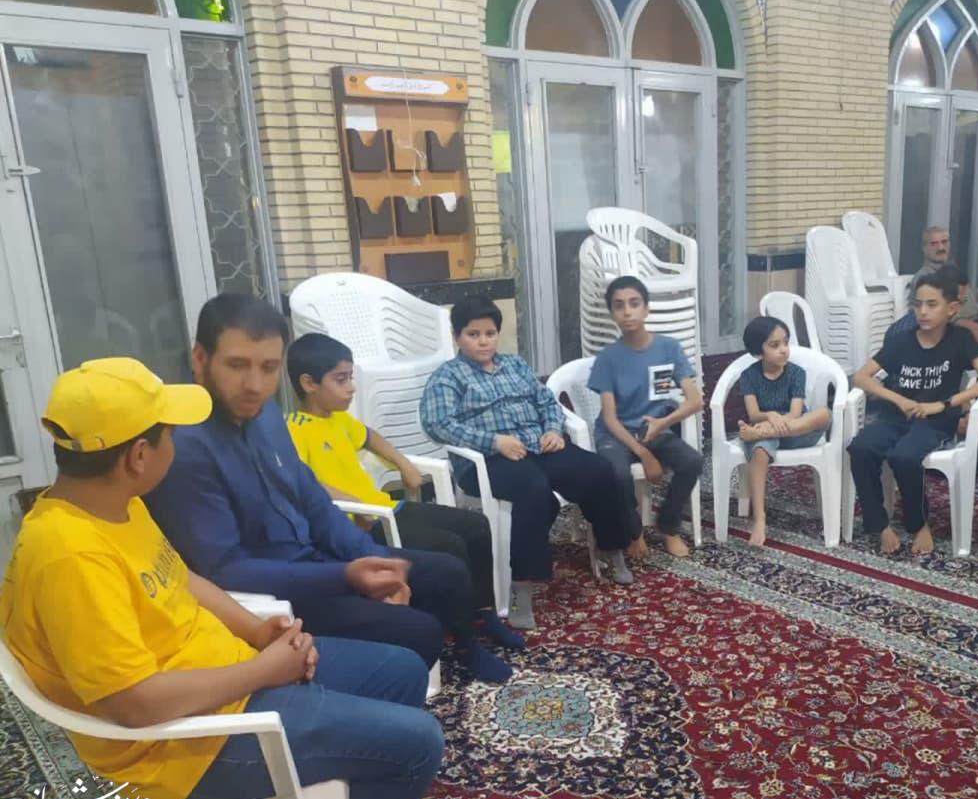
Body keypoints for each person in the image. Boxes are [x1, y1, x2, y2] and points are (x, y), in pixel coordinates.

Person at [0, 357, 443, 799]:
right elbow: (136, 705)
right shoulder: (70, 556)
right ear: (139, 455)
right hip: (180, 752)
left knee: (401, 671)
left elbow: (181, 578)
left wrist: (256, 631)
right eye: (170, 434)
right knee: (419, 743)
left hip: (223, 685)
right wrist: (265, 670)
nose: (177, 445)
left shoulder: (114, 503)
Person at [145, 293, 514, 684]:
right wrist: (346, 576)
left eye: (269, 368)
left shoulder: (265, 415)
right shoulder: (183, 448)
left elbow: (313, 500)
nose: (255, 385)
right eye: (237, 365)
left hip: (317, 558)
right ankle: (372, 688)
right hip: (275, 594)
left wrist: (373, 561)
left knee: (447, 573)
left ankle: (467, 649)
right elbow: (227, 570)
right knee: (417, 631)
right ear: (200, 359)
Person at [285, 332, 523, 649]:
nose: (351, 387)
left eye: (351, 378)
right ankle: (465, 640)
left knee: (476, 525)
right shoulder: (293, 429)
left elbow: (369, 436)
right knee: (449, 545)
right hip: (363, 524)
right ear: (309, 383)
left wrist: (403, 463)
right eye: (341, 380)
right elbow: (302, 482)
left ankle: (483, 614)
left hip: (385, 506)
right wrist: (352, 504)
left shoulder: (338, 419)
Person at [420, 296, 633, 622]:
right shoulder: (448, 377)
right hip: (487, 460)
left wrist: (553, 430)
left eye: (490, 333)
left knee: (599, 471)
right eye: (473, 334)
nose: (483, 341)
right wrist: (494, 442)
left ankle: (610, 548)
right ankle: (521, 587)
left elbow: (547, 402)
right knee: (534, 490)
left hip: (538, 446)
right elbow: (438, 424)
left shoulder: (516, 365)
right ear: (456, 336)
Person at [847, 272, 978, 555]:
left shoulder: (960, 339)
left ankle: (919, 525)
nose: (923, 312)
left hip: (936, 422)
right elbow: (861, 377)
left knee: (904, 457)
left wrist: (945, 404)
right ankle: (879, 524)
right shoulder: (901, 340)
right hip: (896, 416)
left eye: (932, 304)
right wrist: (898, 399)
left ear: (952, 308)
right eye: (918, 305)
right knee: (860, 448)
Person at [589, 276, 705, 559]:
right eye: (619, 306)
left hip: (654, 429)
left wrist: (663, 423)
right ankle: (634, 532)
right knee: (617, 474)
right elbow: (610, 419)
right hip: (615, 435)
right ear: (612, 313)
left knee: (692, 460)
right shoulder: (607, 358)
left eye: (634, 303)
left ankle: (668, 527)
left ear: (646, 308)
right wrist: (644, 454)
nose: (627, 311)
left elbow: (695, 400)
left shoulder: (669, 348)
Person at [735, 316, 832, 547]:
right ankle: (759, 518)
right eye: (775, 345)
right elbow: (753, 414)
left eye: (786, 342)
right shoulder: (749, 375)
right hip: (767, 431)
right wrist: (770, 416)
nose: (783, 350)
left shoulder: (796, 373)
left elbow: (795, 413)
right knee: (759, 452)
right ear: (758, 352)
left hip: (795, 432)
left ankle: (761, 435)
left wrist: (769, 428)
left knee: (824, 414)